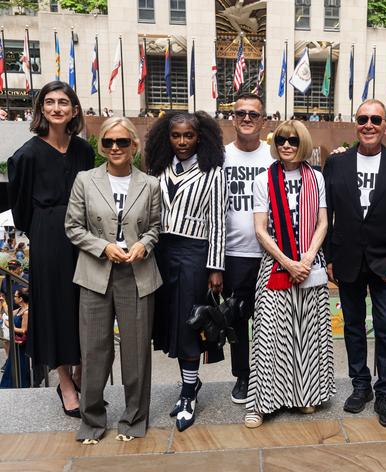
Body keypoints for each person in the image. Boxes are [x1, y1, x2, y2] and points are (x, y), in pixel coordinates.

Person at [324, 99, 386, 427]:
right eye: (362, 118)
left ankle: (384, 393)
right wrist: (328, 257)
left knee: (384, 328)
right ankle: (361, 385)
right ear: (356, 123)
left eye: (375, 119)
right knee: (352, 327)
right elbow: (325, 215)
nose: (368, 124)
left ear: (385, 125)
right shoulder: (336, 164)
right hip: (348, 261)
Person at [65, 117, 162, 444]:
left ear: (134, 145)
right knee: (94, 351)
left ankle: (134, 420)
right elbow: (73, 227)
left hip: (137, 275)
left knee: (136, 353)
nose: (116, 148)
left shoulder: (149, 184)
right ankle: (92, 422)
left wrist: (142, 245)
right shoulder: (85, 180)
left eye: (122, 142)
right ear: (101, 146)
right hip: (95, 273)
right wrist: (103, 247)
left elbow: (155, 228)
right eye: (109, 142)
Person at [8, 80, 94, 416]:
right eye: (50, 102)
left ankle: (82, 370)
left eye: (64, 102)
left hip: (85, 235)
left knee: (85, 303)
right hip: (48, 237)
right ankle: (66, 382)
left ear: (74, 110)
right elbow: (21, 210)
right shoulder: (27, 155)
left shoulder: (85, 151)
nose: (57, 108)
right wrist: (47, 231)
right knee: (55, 306)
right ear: (41, 109)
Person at [243, 120, 335, 428]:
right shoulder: (263, 180)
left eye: (293, 140)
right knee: (269, 335)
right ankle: (262, 403)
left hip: (310, 262)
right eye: (281, 139)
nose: (286, 145)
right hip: (276, 264)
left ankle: (304, 394)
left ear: (303, 143)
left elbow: (323, 222)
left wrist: (307, 258)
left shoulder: (316, 179)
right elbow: (260, 229)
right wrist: (287, 261)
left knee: (307, 331)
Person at [147, 111, 226, 432]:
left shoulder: (214, 173)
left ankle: (189, 393)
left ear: (200, 137)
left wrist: (216, 268)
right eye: (176, 135)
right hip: (161, 253)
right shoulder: (158, 170)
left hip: (194, 255)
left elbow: (219, 223)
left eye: (188, 135)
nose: (182, 141)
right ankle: (188, 386)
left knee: (190, 324)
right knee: (171, 325)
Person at [222, 94, 274, 403]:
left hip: (270, 254)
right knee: (238, 319)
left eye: (253, 114)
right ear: (232, 118)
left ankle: (269, 376)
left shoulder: (274, 156)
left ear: (263, 120)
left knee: (270, 319)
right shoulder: (219, 157)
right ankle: (243, 376)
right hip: (234, 254)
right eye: (240, 113)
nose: (246, 118)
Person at [0, 288, 30, 388]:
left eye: (15, 296)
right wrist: (3, 302)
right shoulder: (20, 309)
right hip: (16, 343)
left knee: (20, 365)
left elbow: (23, 330)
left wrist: (10, 326)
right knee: (12, 365)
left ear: (21, 298)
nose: (14, 298)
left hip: (21, 345)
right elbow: (9, 313)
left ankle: (19, 385)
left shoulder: (26, 312)